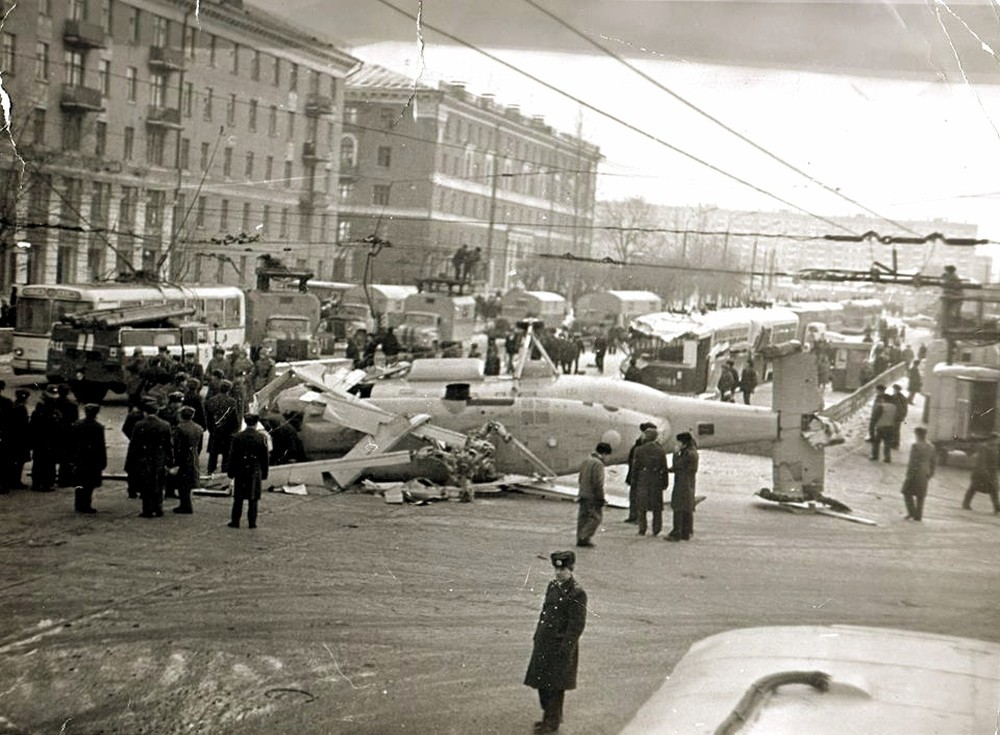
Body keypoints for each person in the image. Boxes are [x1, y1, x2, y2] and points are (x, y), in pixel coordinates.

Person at [523, 550, 587, 735]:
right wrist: (537, 636)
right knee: (541, 683)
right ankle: (551, 717)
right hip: (544, 643)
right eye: (556, 569)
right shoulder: (552, 586)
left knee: (555, 687)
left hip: (560, 647)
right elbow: (545, 611)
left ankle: (551, 723)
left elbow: (576, 625)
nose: (559, 573)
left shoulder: (577, 593)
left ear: (571, 569)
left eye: (563, 569)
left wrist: (566, 649)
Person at [125, 399, 175, 518]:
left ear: (145, 412)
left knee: (145, 484)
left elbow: (134, 445)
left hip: (144, 458)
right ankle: (158, 508)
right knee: (158, 483)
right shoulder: (165, 425)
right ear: (157, 411)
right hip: (159, 458)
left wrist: (130, 462)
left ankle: (147, 510)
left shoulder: (139, 425)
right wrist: (171, 461)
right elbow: (169, 445)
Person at [227, 413, 270, 529]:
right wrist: (265, 473)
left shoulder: (237, 437)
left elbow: (232, 456)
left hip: (240, 469)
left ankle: (235, 521)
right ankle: (252, 522)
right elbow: (264, 458)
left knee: (238, 498)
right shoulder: (262, 438)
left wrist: (230, 472)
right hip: (254, 470)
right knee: (253, 498)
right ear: (256, 423)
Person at [69, 404, 107, 514]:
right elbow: (101, 446)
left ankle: (78, 504)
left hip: (79, 458)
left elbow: (71, 443)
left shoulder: (77, 424)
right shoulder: (98, 427)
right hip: (92, 459)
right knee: (89, 484)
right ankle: (86, 505)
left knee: (79, 482)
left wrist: (71, 457)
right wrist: (103, 461)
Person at [633, 426, 669, 537]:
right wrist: (665, 482)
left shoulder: (639, 449)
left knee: (641, 506)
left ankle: (642, 529)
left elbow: (635, 467)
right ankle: (656, 529)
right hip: (656, 479)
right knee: (657, 507)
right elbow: (664, 467)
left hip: (643, 479)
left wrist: (634, 481)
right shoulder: (660, 450)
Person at [666, 432, 699, 541]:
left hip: (682, 484)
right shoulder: (692, 452)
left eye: (679, 442)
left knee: (678, 507)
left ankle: (677, 533)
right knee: (686, 508)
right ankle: (687, 532)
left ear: (683, 442)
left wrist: (675, 454)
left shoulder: (687, 454)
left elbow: (678, 465)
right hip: (688, 484)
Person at [576, 442, 611, 548]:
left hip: (583, 492)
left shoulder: (586, 460)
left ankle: (580, 537)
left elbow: (580, 478)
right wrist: (601, 497)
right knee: (596, 518)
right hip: (592, 495)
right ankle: (584, 537)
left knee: (583, 517)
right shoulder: (598, 464)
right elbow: (598, 483)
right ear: (604, 454)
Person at [29, 385, 63, 492]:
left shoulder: (52, 411)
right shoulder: (42, 412)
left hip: (45, 442)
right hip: (44, 441)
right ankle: (44, 484)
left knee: (41, 462)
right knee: (45, 463)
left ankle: (39, 483)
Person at [171, 406, 204, 514]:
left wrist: (175, 461)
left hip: (183, 457)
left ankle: (185, 505)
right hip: (193, 456)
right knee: (189, 481)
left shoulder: (180, 428)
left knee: (182, 483)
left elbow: (177, 446)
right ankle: (185, 505)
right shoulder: (198, 428)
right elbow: (200, 446)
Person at [623, 422, 656, 524]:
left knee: (638, 497)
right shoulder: (639, 444)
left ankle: (636, 517)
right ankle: (633, 516)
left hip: (640, 475)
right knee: (634, 496)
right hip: (634, 473)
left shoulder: (643, 445)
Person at [205, 379, 240, 474]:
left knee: (213, 454)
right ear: (229, 389)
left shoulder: (212, 400)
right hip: (227, 432)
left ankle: (210, 471)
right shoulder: (231, 401)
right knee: (226, 454)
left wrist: (210, 429)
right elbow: (234, 418)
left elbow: (208, 417)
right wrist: (235, 429)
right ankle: (224, 473)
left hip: (215, 430)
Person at [901, 426, 935, 521]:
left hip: (915, 472)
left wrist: (909, 474)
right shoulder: (931, 447)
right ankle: (918, 515)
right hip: (925, 473)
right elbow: (933, 462)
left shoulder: (916, 446)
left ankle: (912, 512)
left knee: (906, 492)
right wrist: (931, 473)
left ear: (917, 434)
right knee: (921, 495)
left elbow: (912, 462)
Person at [962, 434, 1000, 514]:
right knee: (974, 487)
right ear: (992, 439)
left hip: (992, 473)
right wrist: (983, 471)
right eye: (997, 439)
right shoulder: (984, 447)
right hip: (981, 472)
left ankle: (996, 507)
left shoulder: (995, 448)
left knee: (994, 489)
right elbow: (981, 460)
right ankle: (966, 503)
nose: (998, 441)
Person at [6, 388, 30, 490]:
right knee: (19, 461)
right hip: (20, 438)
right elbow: (24, 425)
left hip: (12, 437)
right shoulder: (21, 409)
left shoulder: (13, 406)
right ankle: (15, 481)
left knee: (13, 460)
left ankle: (11, 480)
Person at [870, 391, 897, 463]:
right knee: (887, 443)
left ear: (884, 399)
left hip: (881, 426)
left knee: (876, 442)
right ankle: (887, 458)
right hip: (890, 426)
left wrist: (873, 425)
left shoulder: (881, 406)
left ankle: (875, 456)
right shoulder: (894, 407)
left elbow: (876, 417)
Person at [888, 384, 908, 450]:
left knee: (895, 430)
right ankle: (894, 442)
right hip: (895, 416)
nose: (894, 390)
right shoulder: (900, 397)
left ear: (897, 390)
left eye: (894, 389)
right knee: (894, 430)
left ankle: (895, 444)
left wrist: (903, 415)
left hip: (897, 416)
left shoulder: (899, 398)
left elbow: (904, 408)